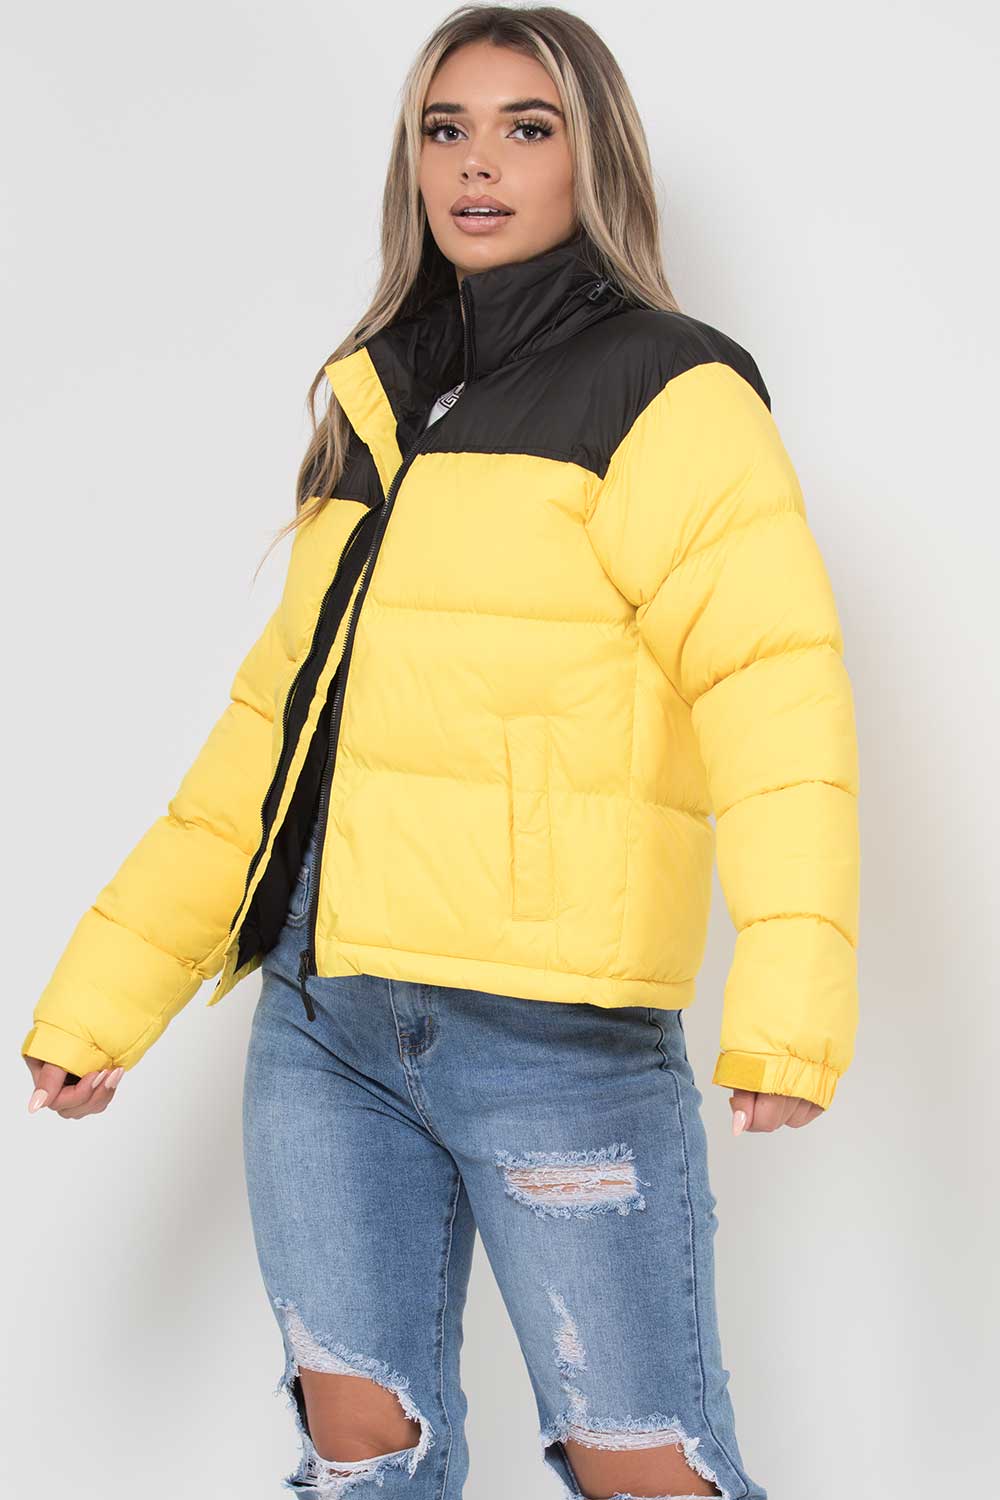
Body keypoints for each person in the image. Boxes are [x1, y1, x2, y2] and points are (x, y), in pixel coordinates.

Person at [22, 6, 861, 1498]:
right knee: (364, 1456)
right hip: (324, 1022)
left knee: (640, 1464)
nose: (478, 164)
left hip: (553, 1032)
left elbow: (775, 698)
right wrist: (105, 1002)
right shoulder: (381, 399)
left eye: (526, 128)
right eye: (444, 129)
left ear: (592, 158)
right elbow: (273, 736)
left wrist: (790, 1011)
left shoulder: (669, 389)